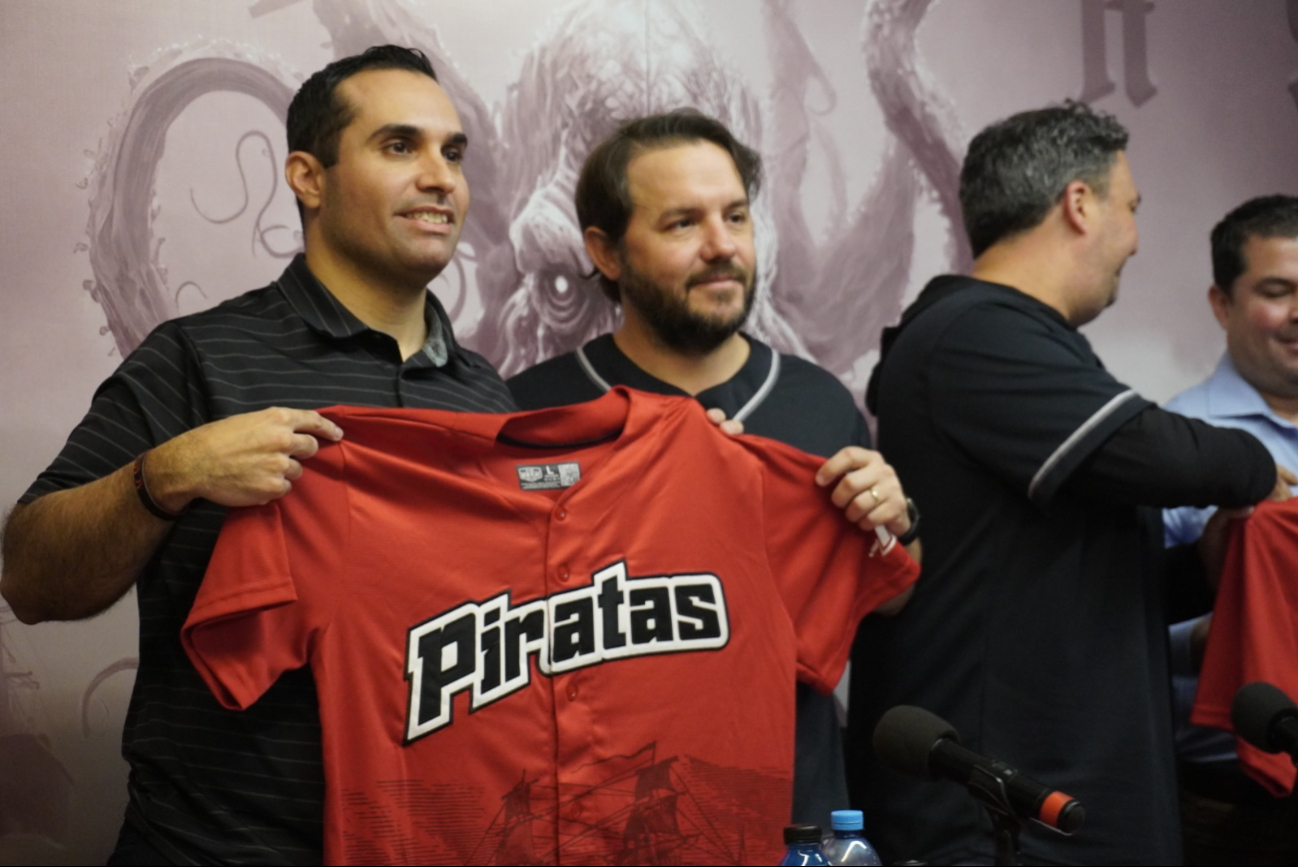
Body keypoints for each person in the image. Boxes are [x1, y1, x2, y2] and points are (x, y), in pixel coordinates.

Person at [1, 46, 516, 865]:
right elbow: (28, 576)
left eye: (451, 152)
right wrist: (166, 474)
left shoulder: (489, 396)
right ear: (307, 177)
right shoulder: (196, 358)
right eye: (398, 146)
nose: (440, 177)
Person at [847, 101, 1280, 865]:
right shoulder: (974, 331)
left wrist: (1196, 573)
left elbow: (1066, 579)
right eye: (1132, 207)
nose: (1136, 238)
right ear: (1079, 204)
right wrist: (1261, 469)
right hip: (1003, 818)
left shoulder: (1024, 340)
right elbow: (1155, 450)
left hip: (1062, 809)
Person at [506, 109, 920, 830]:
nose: (722, 246)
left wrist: (893, 521)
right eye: (682, 224)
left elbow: (889, 595)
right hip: (599, 826)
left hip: (792, 820)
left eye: (736, 216)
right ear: (605, 252)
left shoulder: (818, 402)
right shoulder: (533, 412)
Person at [1163, 194, 1298, 865]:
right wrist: (1209, 640)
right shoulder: (1177, 448)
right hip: (1230, 805)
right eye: (1278, 291)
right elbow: (1108, 637)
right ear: (1222, 303)